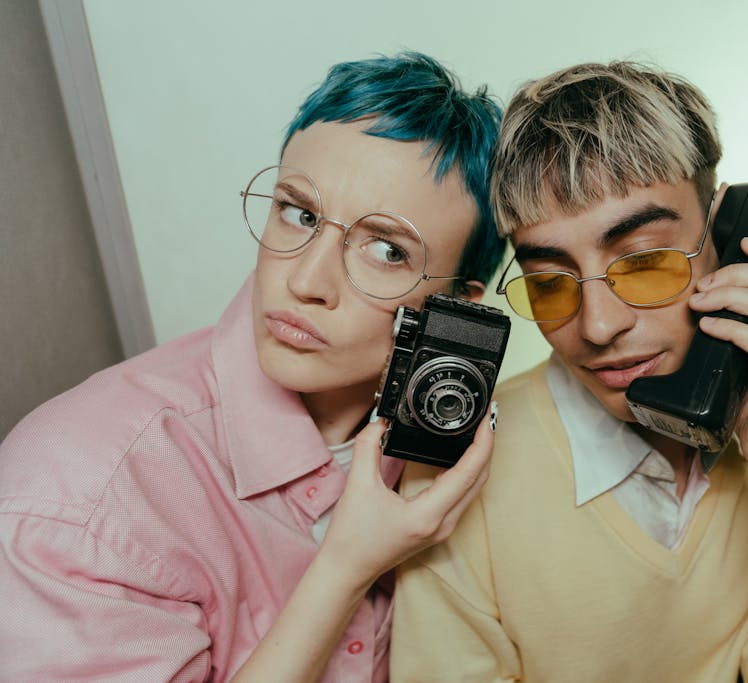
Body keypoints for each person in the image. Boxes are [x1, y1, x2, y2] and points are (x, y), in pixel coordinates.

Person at [391, 61, 748, 681]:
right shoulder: (455, 472)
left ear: (726, 231)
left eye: (643, 262)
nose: (598, 327)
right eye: (549, 283)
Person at [0, 52, 504, 682]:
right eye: (300, 213)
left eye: (385, 250)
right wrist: (345, 569)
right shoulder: (78, 497)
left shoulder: (446, 440)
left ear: (456, 310)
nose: (305, 279)